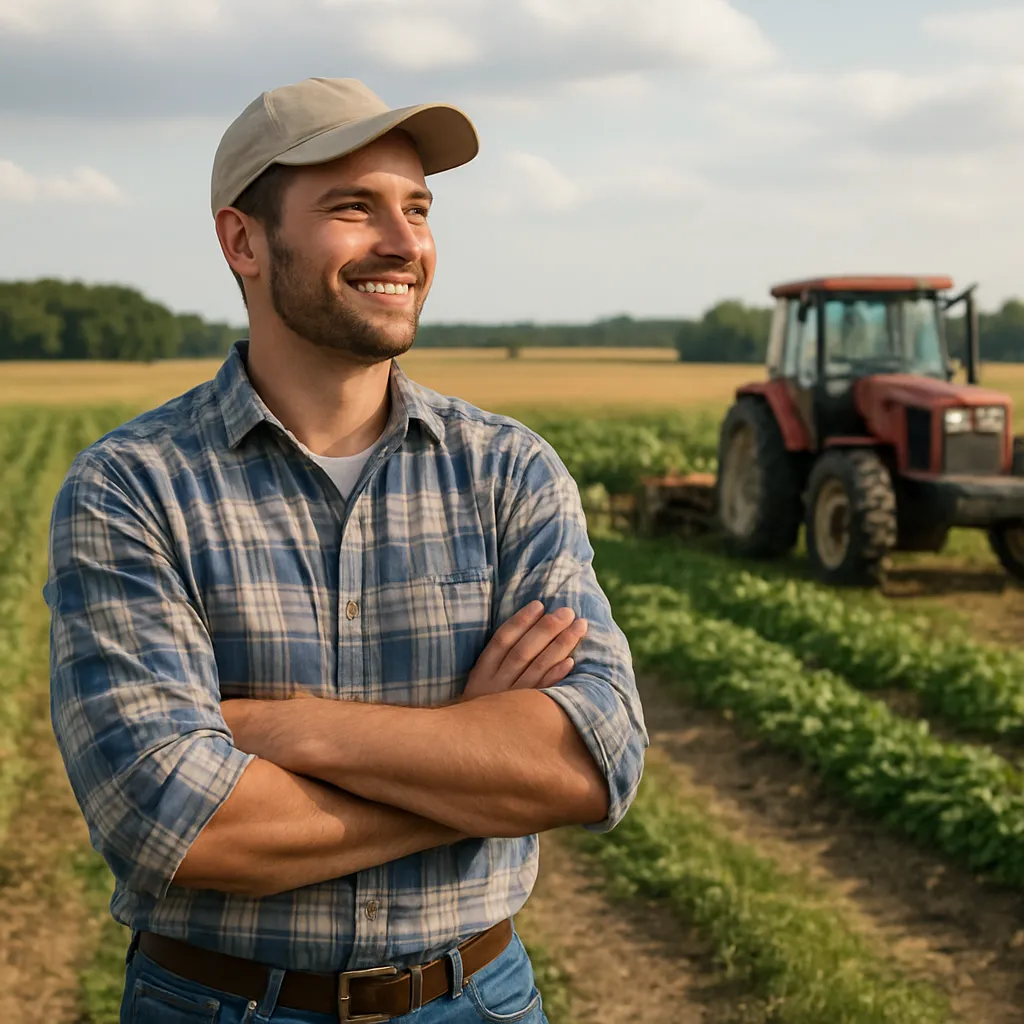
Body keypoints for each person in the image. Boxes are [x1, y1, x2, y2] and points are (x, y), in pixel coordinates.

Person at [45, 77, 647, 1024]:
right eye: (353, 207)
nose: (404, 243)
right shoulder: (133, 486)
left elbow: (588, 763)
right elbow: (173, 823)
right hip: (220, 1004)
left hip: (476, 998)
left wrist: (285, 730)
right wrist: (472, 760)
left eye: (416, 208)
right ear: (243, 241)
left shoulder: (508, 472)